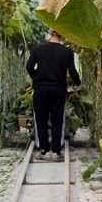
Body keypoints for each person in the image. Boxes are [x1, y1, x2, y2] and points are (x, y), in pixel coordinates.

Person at [25, 29, 81, 159]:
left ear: (50, 33)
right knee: (58, 120)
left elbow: (29, 66)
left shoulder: (38, 48)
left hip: (41, 89)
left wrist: (37, 78)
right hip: (58, 89)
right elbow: (73, 71)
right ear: (63, 35)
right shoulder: (67, 51)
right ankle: (56, 151)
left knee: (41, 120)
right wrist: (78, 84)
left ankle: (43, 150)